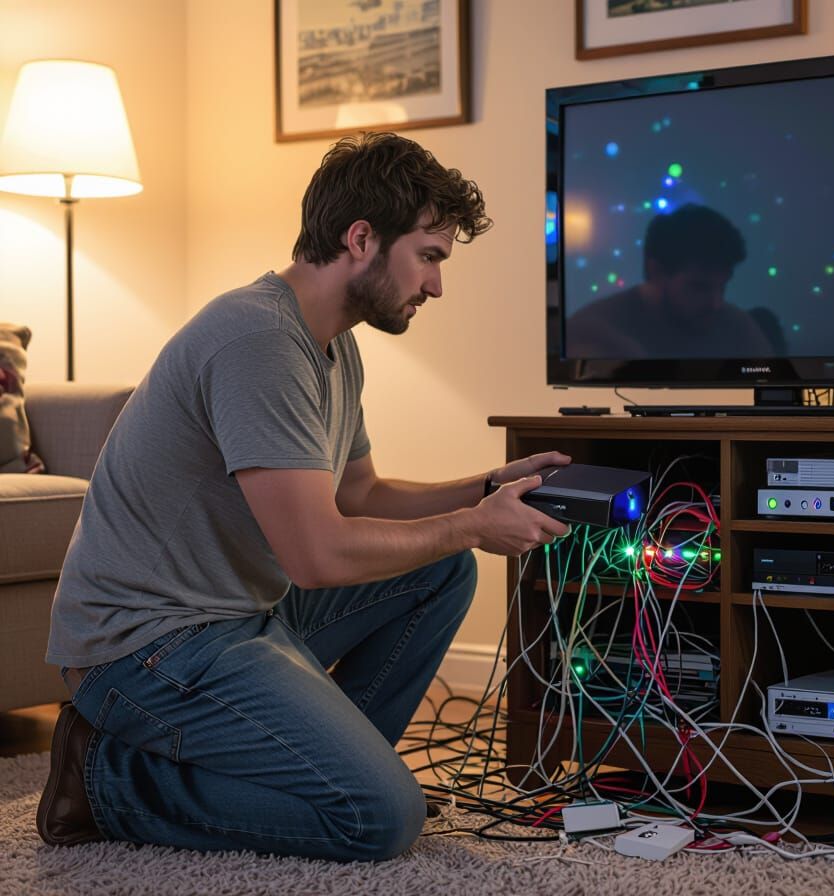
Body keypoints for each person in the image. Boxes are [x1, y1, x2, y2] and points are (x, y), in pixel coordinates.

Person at [37, 131, 571, 862]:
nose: (436, 286)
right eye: (430, 257)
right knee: (379, 820)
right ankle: (102, 778)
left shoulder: (332, 343)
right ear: (361, 238)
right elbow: (318, 553)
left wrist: (483, 490)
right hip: (142, 649)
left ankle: (329, 771)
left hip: (231, 615)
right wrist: (472, 524)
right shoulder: (256, 339)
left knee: (441, 570)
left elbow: (362, 492)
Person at [564, 203, 782, 358]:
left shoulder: (738, 328)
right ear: (656, 271)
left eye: (722, 288)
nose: (716, 303)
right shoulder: (592, 333)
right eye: (699, 287)